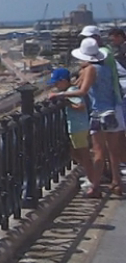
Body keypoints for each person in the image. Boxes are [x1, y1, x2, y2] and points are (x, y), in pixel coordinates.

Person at [68, 37, 125, 197]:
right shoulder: (106, 68)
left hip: (98, 113)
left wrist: (59, 95)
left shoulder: (90, 69)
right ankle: (116, 183)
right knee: (113, 151)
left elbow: (82, 91)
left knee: (98, 151)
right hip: (112, 111)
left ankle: (95, 186)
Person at [48, 67, 95, 189]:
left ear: (63, 81)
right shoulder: (71, 91)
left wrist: (67, 103)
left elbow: (80, 106)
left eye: (56, 83)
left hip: (78, 127)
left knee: (84, 155)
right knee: (74, 153)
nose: (55, 86)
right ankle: (92, 174)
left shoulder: (72, 91)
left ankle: (93, 179)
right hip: (76, 127)